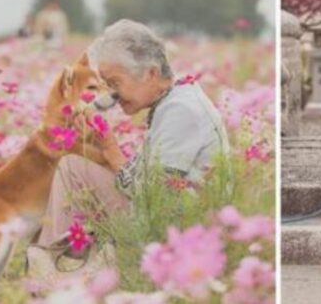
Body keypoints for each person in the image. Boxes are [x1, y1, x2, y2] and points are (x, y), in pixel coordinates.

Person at [34, 19, 230, 256]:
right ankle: (57, 255)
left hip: (181, 227)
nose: (113, 95)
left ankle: (52, 263)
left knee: (72, 170)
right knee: (74, 167)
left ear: (151, 73)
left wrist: (111, 150)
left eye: (115, 83)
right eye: (107, 85)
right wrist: (105, 148)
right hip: (169, 212)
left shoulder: (181, 110)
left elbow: (153, 195)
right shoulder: (175, 98)